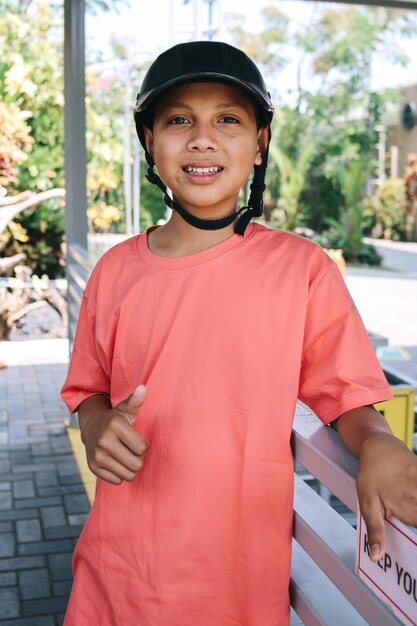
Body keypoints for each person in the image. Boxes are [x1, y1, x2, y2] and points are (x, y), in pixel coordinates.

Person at [61, 41, 417, 626]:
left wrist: (377, 442)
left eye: (229, 119)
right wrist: (97, 421)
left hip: (237, 589)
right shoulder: (114, 271)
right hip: (117, 578)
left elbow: (347, 393)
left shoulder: (301, 271)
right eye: (179, 120)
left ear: (260, 145)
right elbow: (88, 390)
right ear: (150, 142)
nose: (203, 138)